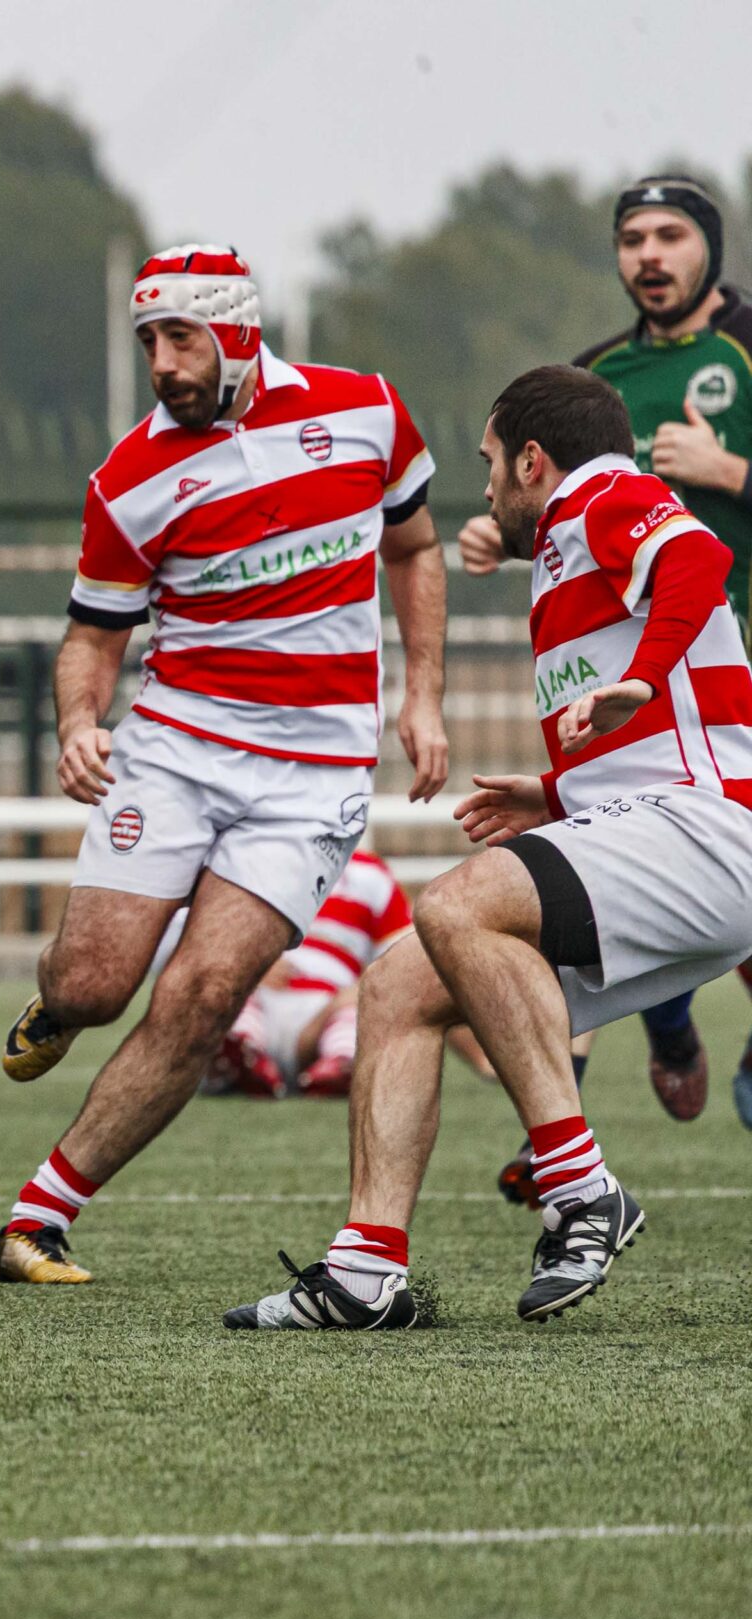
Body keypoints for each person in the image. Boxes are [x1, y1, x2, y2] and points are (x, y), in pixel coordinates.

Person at [228, 364, 752, 1329]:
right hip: (665, 831)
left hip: (711, 834)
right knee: (396, 984)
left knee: (455, 903)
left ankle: (581, 1186)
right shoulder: (562, 552)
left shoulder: (608, 492)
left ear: (534, 460)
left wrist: (639, 673)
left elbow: (699, 561)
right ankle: (364, 1270)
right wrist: (552, 791)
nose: (485, 487)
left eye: (490, 465)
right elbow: (676, 720)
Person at [0, 245, 450, 1285]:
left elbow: (416, 549)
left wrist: (422, 695)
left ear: (240, 334)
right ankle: (58, 1005)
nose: (160, 362)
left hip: (311, 779)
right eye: (147, 340)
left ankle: (38, 1217)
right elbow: (91, 635)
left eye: (179, 337)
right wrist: (76, 720)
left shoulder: (368, 411)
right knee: (98, 984)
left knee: (201, 996)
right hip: (177, 754)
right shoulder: (128, 478)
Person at [459, 175, 752, 1134]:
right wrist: (495, 535)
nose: (650, 255)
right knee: (609, 859)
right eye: (633, 238)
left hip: (702, 663)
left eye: (671, 234)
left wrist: (727, 473)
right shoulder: (595, 378)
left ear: (709, 245)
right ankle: (578, 1131)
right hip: (670, 684)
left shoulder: (747, 350)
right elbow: (552, 514)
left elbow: (691, 552)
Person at [201, 849, 491, 1098]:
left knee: (360, 1008)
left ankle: (340, 1065)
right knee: (225, 990)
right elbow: (197, 938)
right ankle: (240, 1053)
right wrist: (245, 960)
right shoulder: (251, 859)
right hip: (253, 992)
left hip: (326, 1011)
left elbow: (413, 963)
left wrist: (483, 1058)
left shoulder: (370, 874)